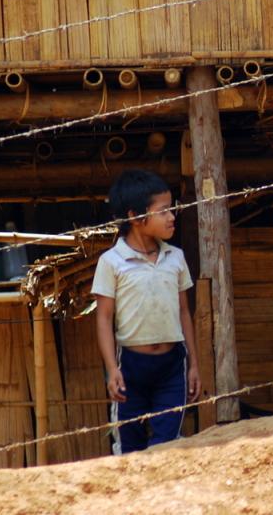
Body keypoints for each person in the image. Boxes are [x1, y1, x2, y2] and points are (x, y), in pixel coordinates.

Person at [92, 170, 200, 454]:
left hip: (173, 366)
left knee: (167, 445)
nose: (172, 216)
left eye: (171, 209)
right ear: (136, 217)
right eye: (163, 211)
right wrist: (112, 370)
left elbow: (184, 312)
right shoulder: (112, 262)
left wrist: (195, 365)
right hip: (131, 368)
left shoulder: (175, 257)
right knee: (129, 447)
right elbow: (103, 318)